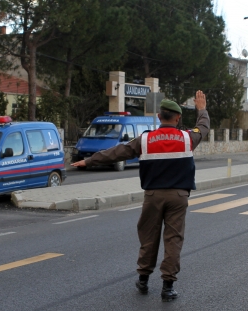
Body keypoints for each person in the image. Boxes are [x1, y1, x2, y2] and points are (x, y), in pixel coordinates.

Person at [71, 90, 209, 302]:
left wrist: (89, 161)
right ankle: (168, 287)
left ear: (159, 117)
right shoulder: (187, 137)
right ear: (178, 118)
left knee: (148, 236)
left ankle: (143, 279)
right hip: (179, 196)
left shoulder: (145, 140)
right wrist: (201, 110)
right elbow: (204, 128)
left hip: (153, 196)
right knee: (173, 239)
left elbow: (117, 152)